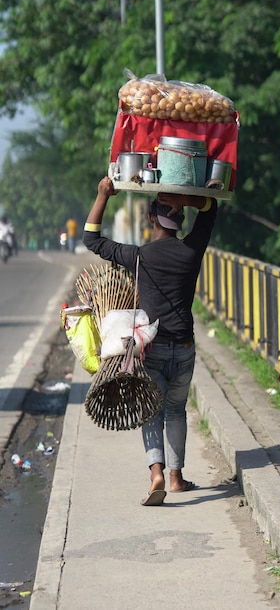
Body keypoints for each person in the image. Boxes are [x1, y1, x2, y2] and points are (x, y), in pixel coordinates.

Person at [83, 176, 217, 506]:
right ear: (179, 220)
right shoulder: (191, 250)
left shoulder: (139, 255)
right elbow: (212, 209)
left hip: (152, 348)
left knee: (152, 412)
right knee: (176, 410)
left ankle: (156, 472)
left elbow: (91, 239)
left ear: (150, 219)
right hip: (184, 347)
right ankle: (176, 478)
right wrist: (187, 200)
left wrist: (103, 195)